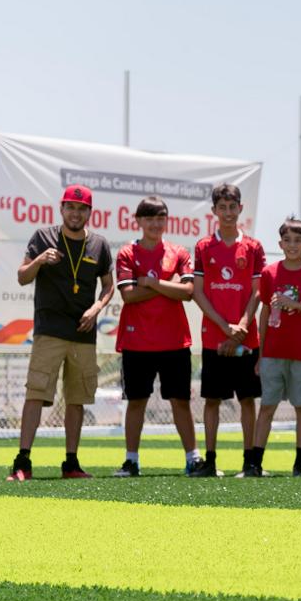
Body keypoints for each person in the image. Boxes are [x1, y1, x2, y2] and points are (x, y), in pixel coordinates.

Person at [8, 184, 113, 481]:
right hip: (49, 331)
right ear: (61, 208)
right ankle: (23, 462)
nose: (75, 213)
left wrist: (96, 308)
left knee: (77, 399)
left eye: (81, 209)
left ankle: (71, 463)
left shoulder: (99, 244)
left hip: (83, 333)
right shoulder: (43, 237)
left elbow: (108, 286)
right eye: (71, 207)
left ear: (89, 213)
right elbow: (22, 277)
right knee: (36, 394)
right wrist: (40, 260)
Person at [112, 196, 202, 477]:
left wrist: (152, 282)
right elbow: (129, 296)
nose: (155, 223)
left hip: (174, 340)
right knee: (136, 402)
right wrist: (168, 285)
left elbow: (188, 292)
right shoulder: (127, 253)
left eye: (160, 218)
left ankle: (193, 458)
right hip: (137, 341)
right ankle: (131, 461)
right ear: (138, 221)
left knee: (180, 402)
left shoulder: (179, 252)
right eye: (149, 218)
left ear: (166, 220)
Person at [190, 184, 265, 478]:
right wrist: (225, 328)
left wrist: (243, 326)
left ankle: (250, 463)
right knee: (212, 400)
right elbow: (197, 292)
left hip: (247, 337)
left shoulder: (254, 247)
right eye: (222, 207)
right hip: (214, 338)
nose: (228, 212)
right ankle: (210, 461)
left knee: (247, 400)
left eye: (233, 207)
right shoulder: (203, 247)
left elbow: (258, 291)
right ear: (214, 211)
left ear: (240, 208)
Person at [251, 218, 301, 477]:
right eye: (287, 240)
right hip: (272, 353)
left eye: (298, 240)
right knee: (267, 407)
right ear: (280, 244)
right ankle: (255, 464)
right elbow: (265, 313)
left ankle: (300, 465)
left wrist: (297, 305)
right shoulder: (269, 273)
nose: (292, 245)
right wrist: (260, 353)